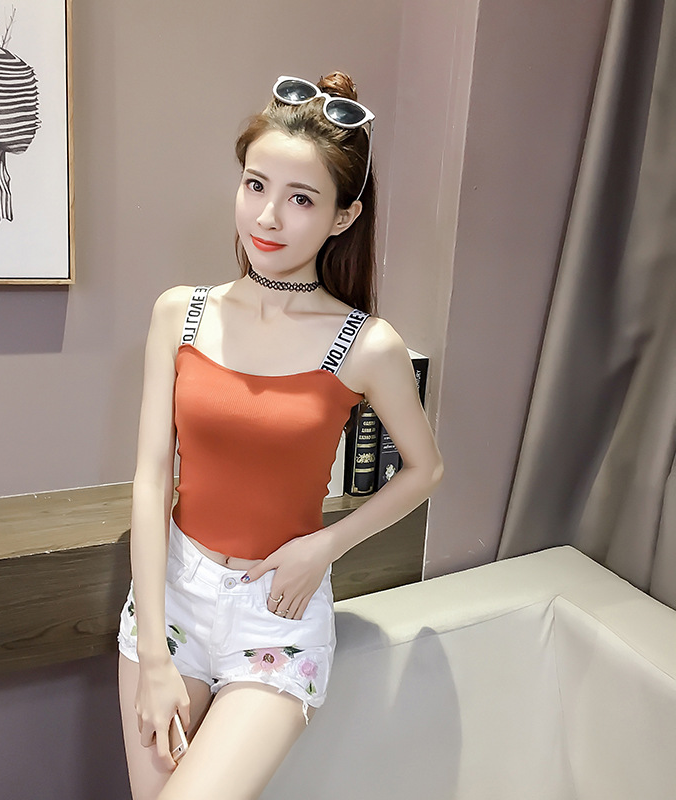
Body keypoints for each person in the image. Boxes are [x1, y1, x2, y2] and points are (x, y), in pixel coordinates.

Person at [117, 72, 443, 799]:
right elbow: (151, 478)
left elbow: (425, 469)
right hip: (171, 596)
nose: (267, 216)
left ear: (343, 216)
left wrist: (325, 546)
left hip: (276, 613)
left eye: (301, 198)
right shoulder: (181, 314)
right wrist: (154, 653)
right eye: (255, 185)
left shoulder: (367, 344)